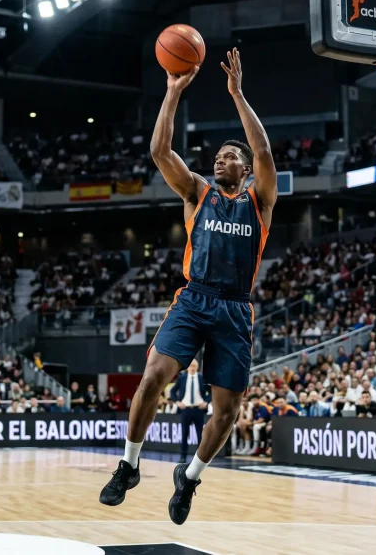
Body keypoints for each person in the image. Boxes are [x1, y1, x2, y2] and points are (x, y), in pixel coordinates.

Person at [99, 47, 278, 527]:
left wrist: (237, 94)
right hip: (194, 298)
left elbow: (263, 151)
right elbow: (160, 152)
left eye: (229, 157)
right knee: (152, 378)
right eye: (217, 156)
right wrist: (173, 92)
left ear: (244, 170)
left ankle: (190, 477)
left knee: (227, 411)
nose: (220, 160)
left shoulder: (259, 202)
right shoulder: (198, 192)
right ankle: (129, 466)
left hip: (235, 309)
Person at [169, 360, 210, 464]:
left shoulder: (202, 378)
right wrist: (177, 402)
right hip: (185, 409)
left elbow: (211, 392)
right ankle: (183, 457)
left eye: (194, 366)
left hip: (198, 409)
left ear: (197, 367)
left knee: (200, 434)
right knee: (184, 434)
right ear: (187, 367)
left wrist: (206, 402)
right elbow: (172, 391)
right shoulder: (182, 378)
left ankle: (199, 458)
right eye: (191, 365)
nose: (192, 367)